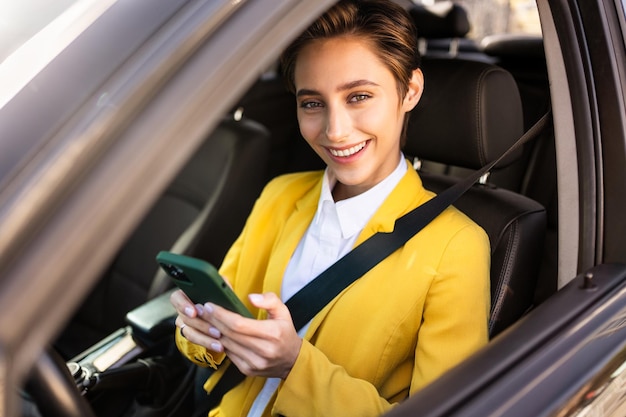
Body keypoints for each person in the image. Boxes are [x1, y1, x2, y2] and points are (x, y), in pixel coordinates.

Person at [170, 0, 490, 416]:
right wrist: (197, 331)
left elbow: (447, 413)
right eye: (312, 103)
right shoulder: (280, 195)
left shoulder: (457, 247)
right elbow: (214, 327)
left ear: (409, 91)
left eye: (358, 96)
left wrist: (294, 367)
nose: (335, 131)